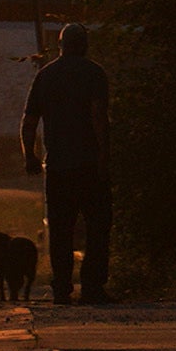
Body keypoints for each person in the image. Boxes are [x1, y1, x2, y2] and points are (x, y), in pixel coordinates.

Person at [20, 24, 113, 302]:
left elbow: (29, 121)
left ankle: (62, 288)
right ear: (84, 44)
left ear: (60, 45)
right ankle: (93, 287)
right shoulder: (94, 73)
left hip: (58, 167)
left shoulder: (45, 76)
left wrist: (30, 155)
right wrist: (104, 156)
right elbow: (98, 117)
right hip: (89, 166)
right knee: (97, 227)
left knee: (61, 230)